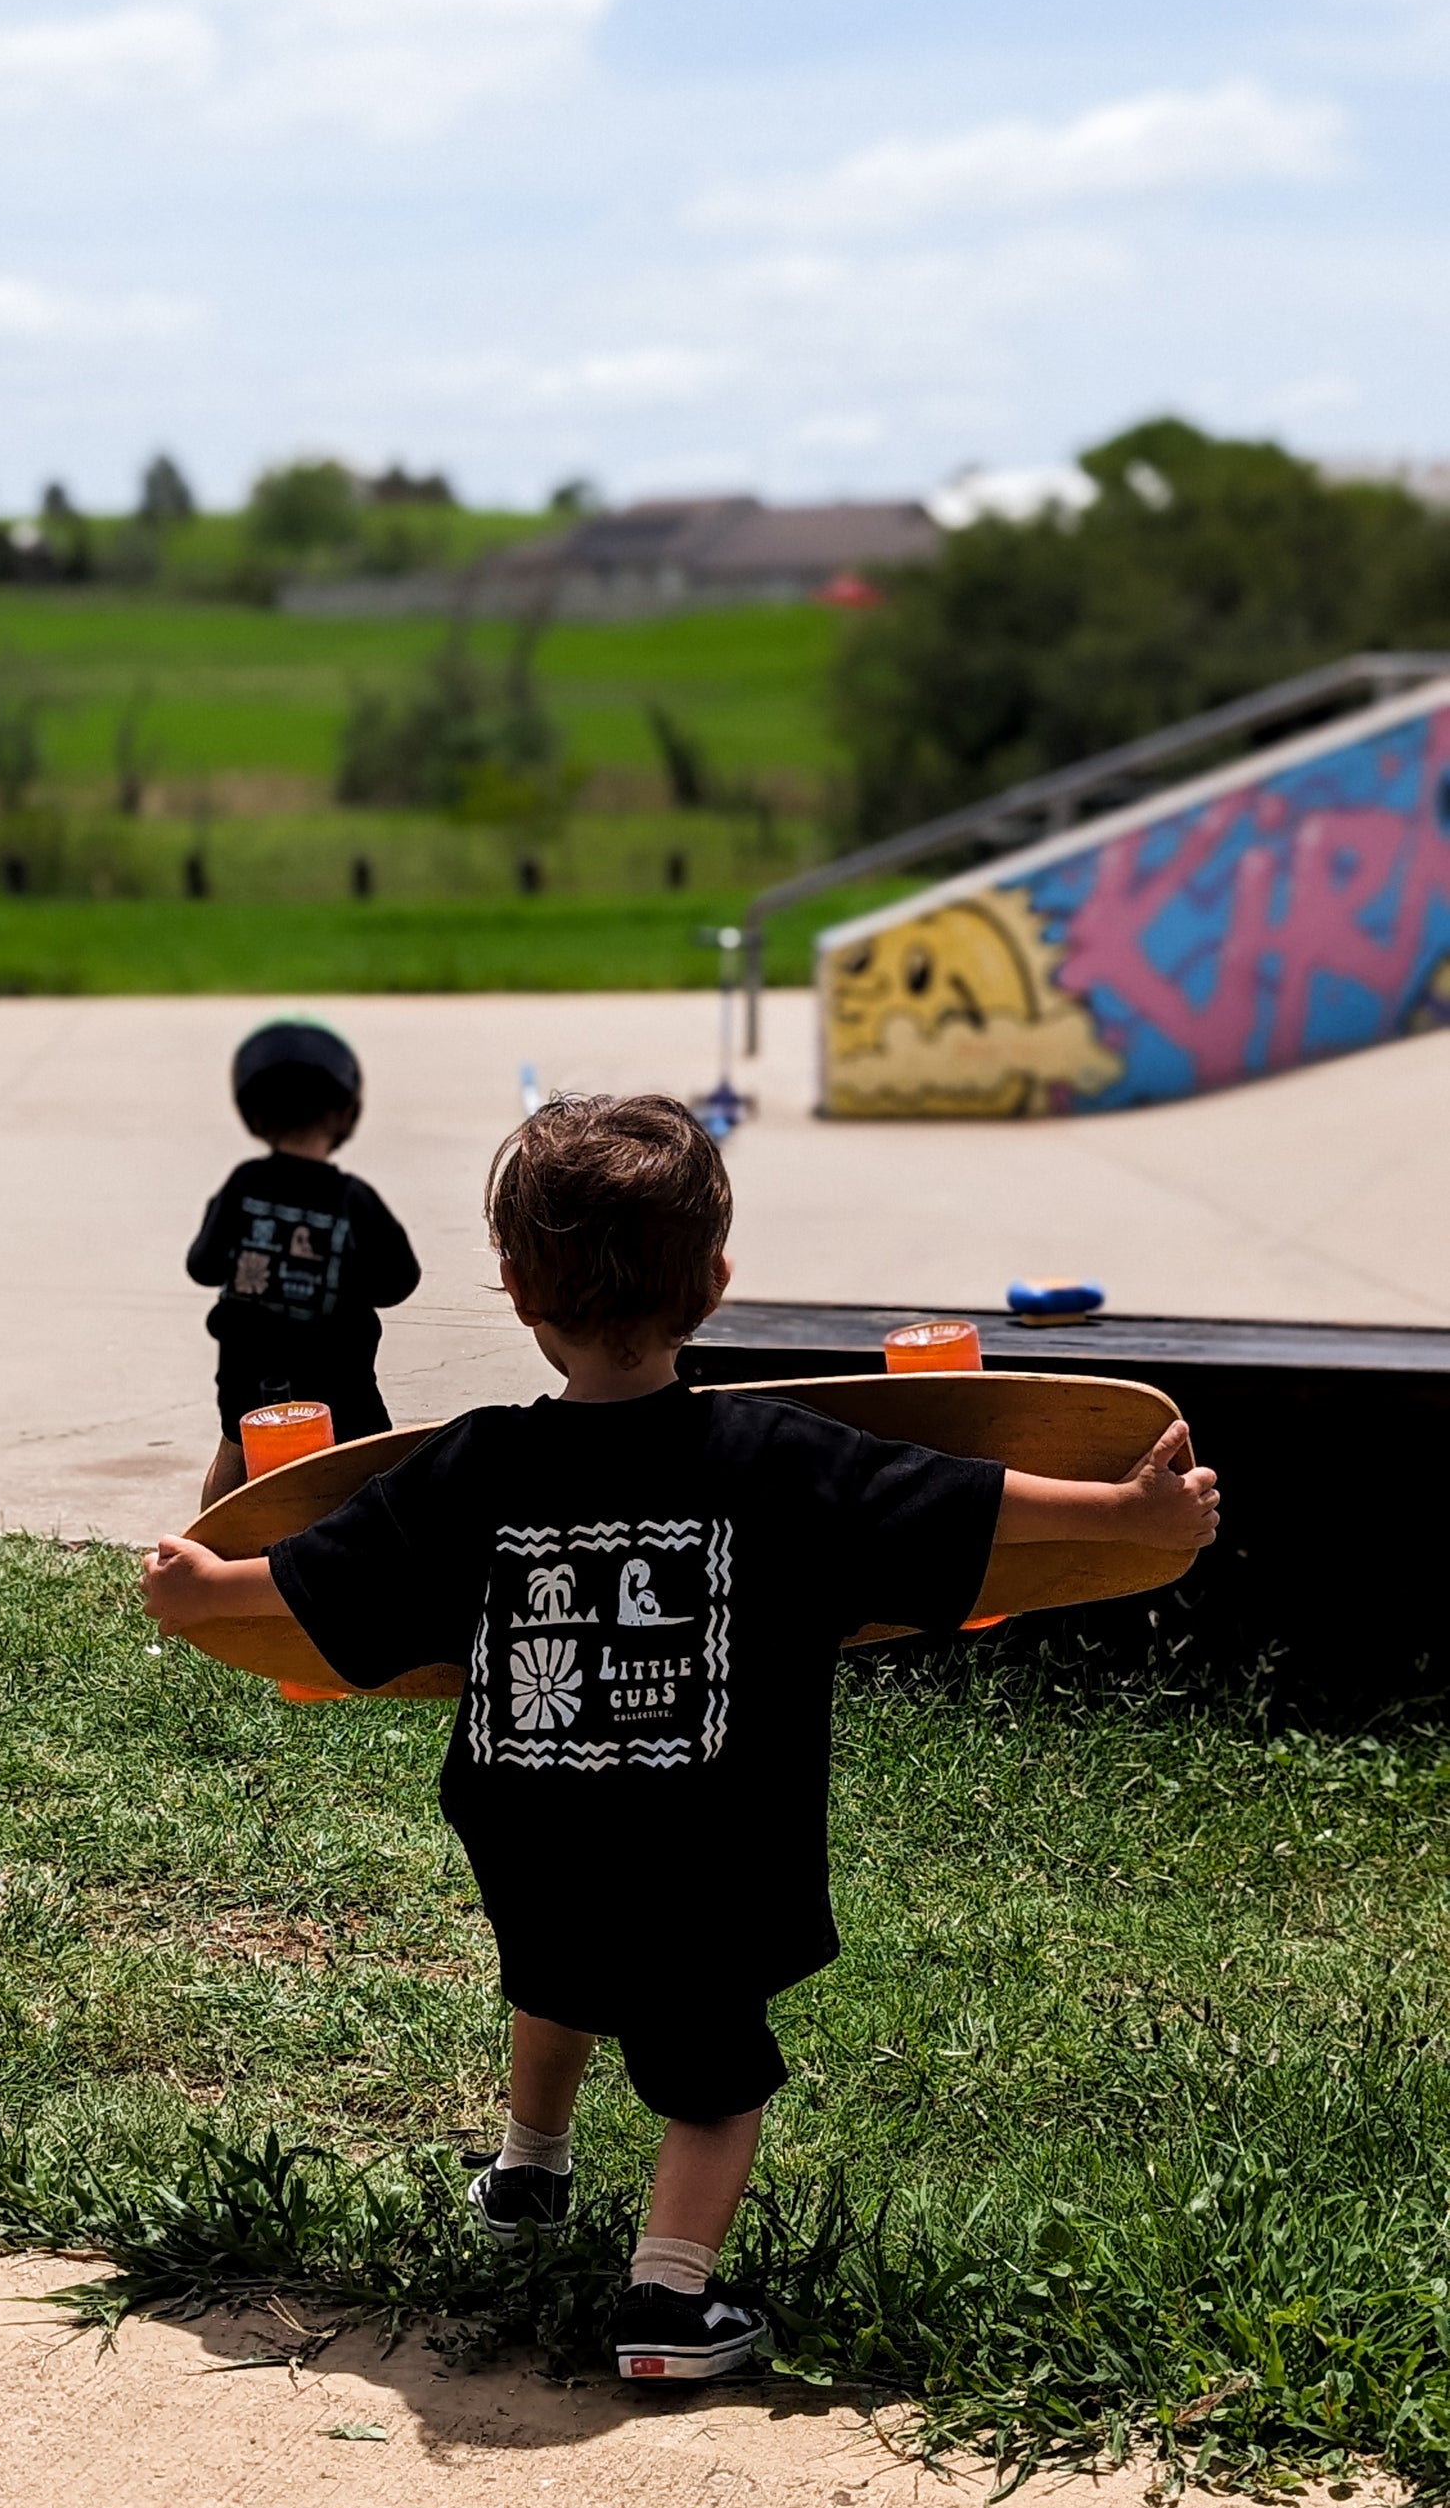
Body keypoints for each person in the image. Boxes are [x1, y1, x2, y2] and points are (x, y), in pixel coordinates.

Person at [145, 1092, 1219, 2381]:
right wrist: (1126, 1511)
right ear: (714, 1278)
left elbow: (327, 1582)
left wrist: (201, 1592)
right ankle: (666, 2302)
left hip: (530, 1836)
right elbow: (970, 1509)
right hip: (709, 1861)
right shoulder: (777, 1462)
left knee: (556, 1980)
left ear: (512, 1288)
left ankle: (526, 2173)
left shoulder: (469, 1469)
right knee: (710, 2085)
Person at [188, 1018, 421, 1509]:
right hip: (340, 1378)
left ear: (252, 1117)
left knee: (236, 1451)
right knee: (366, 1464)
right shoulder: (353, 1201)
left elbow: (203, 1266)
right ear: (346, 1115)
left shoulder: (242, 1187)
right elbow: (401, 1280)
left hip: (247, 1372)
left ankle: (201, 1559)